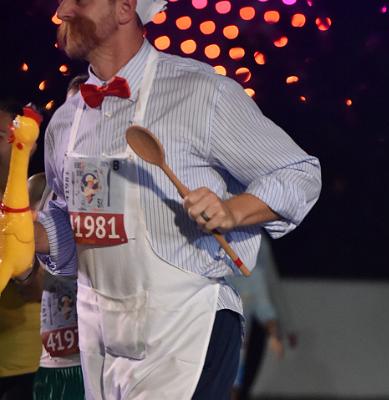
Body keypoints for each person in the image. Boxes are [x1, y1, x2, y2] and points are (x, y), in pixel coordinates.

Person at [34, 0, 321, 399]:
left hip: (186, 331)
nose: (63, 10)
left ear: (124, 8)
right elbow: (74, 236)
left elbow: (299, 173)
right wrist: (27, 236)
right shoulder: (66, 120)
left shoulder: (200, 92)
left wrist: (232, 210)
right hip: (100, 338)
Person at [32, 75, 88, 400]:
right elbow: (29, 277)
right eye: (70, 112)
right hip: (53, 353)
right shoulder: (41, 186)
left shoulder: (111, 184)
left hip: (99, 351)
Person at [0, 99, 43, 400]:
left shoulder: (43, 192)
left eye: (0, 136)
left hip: (29, 368)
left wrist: (22, 266)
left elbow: (46, 287)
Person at [226, 233, 290, 400]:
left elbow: (265, 309)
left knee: (231, 390)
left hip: (235, 354)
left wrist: (273, 334)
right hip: (202, 347)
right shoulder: (209, 267)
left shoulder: (254, 275)